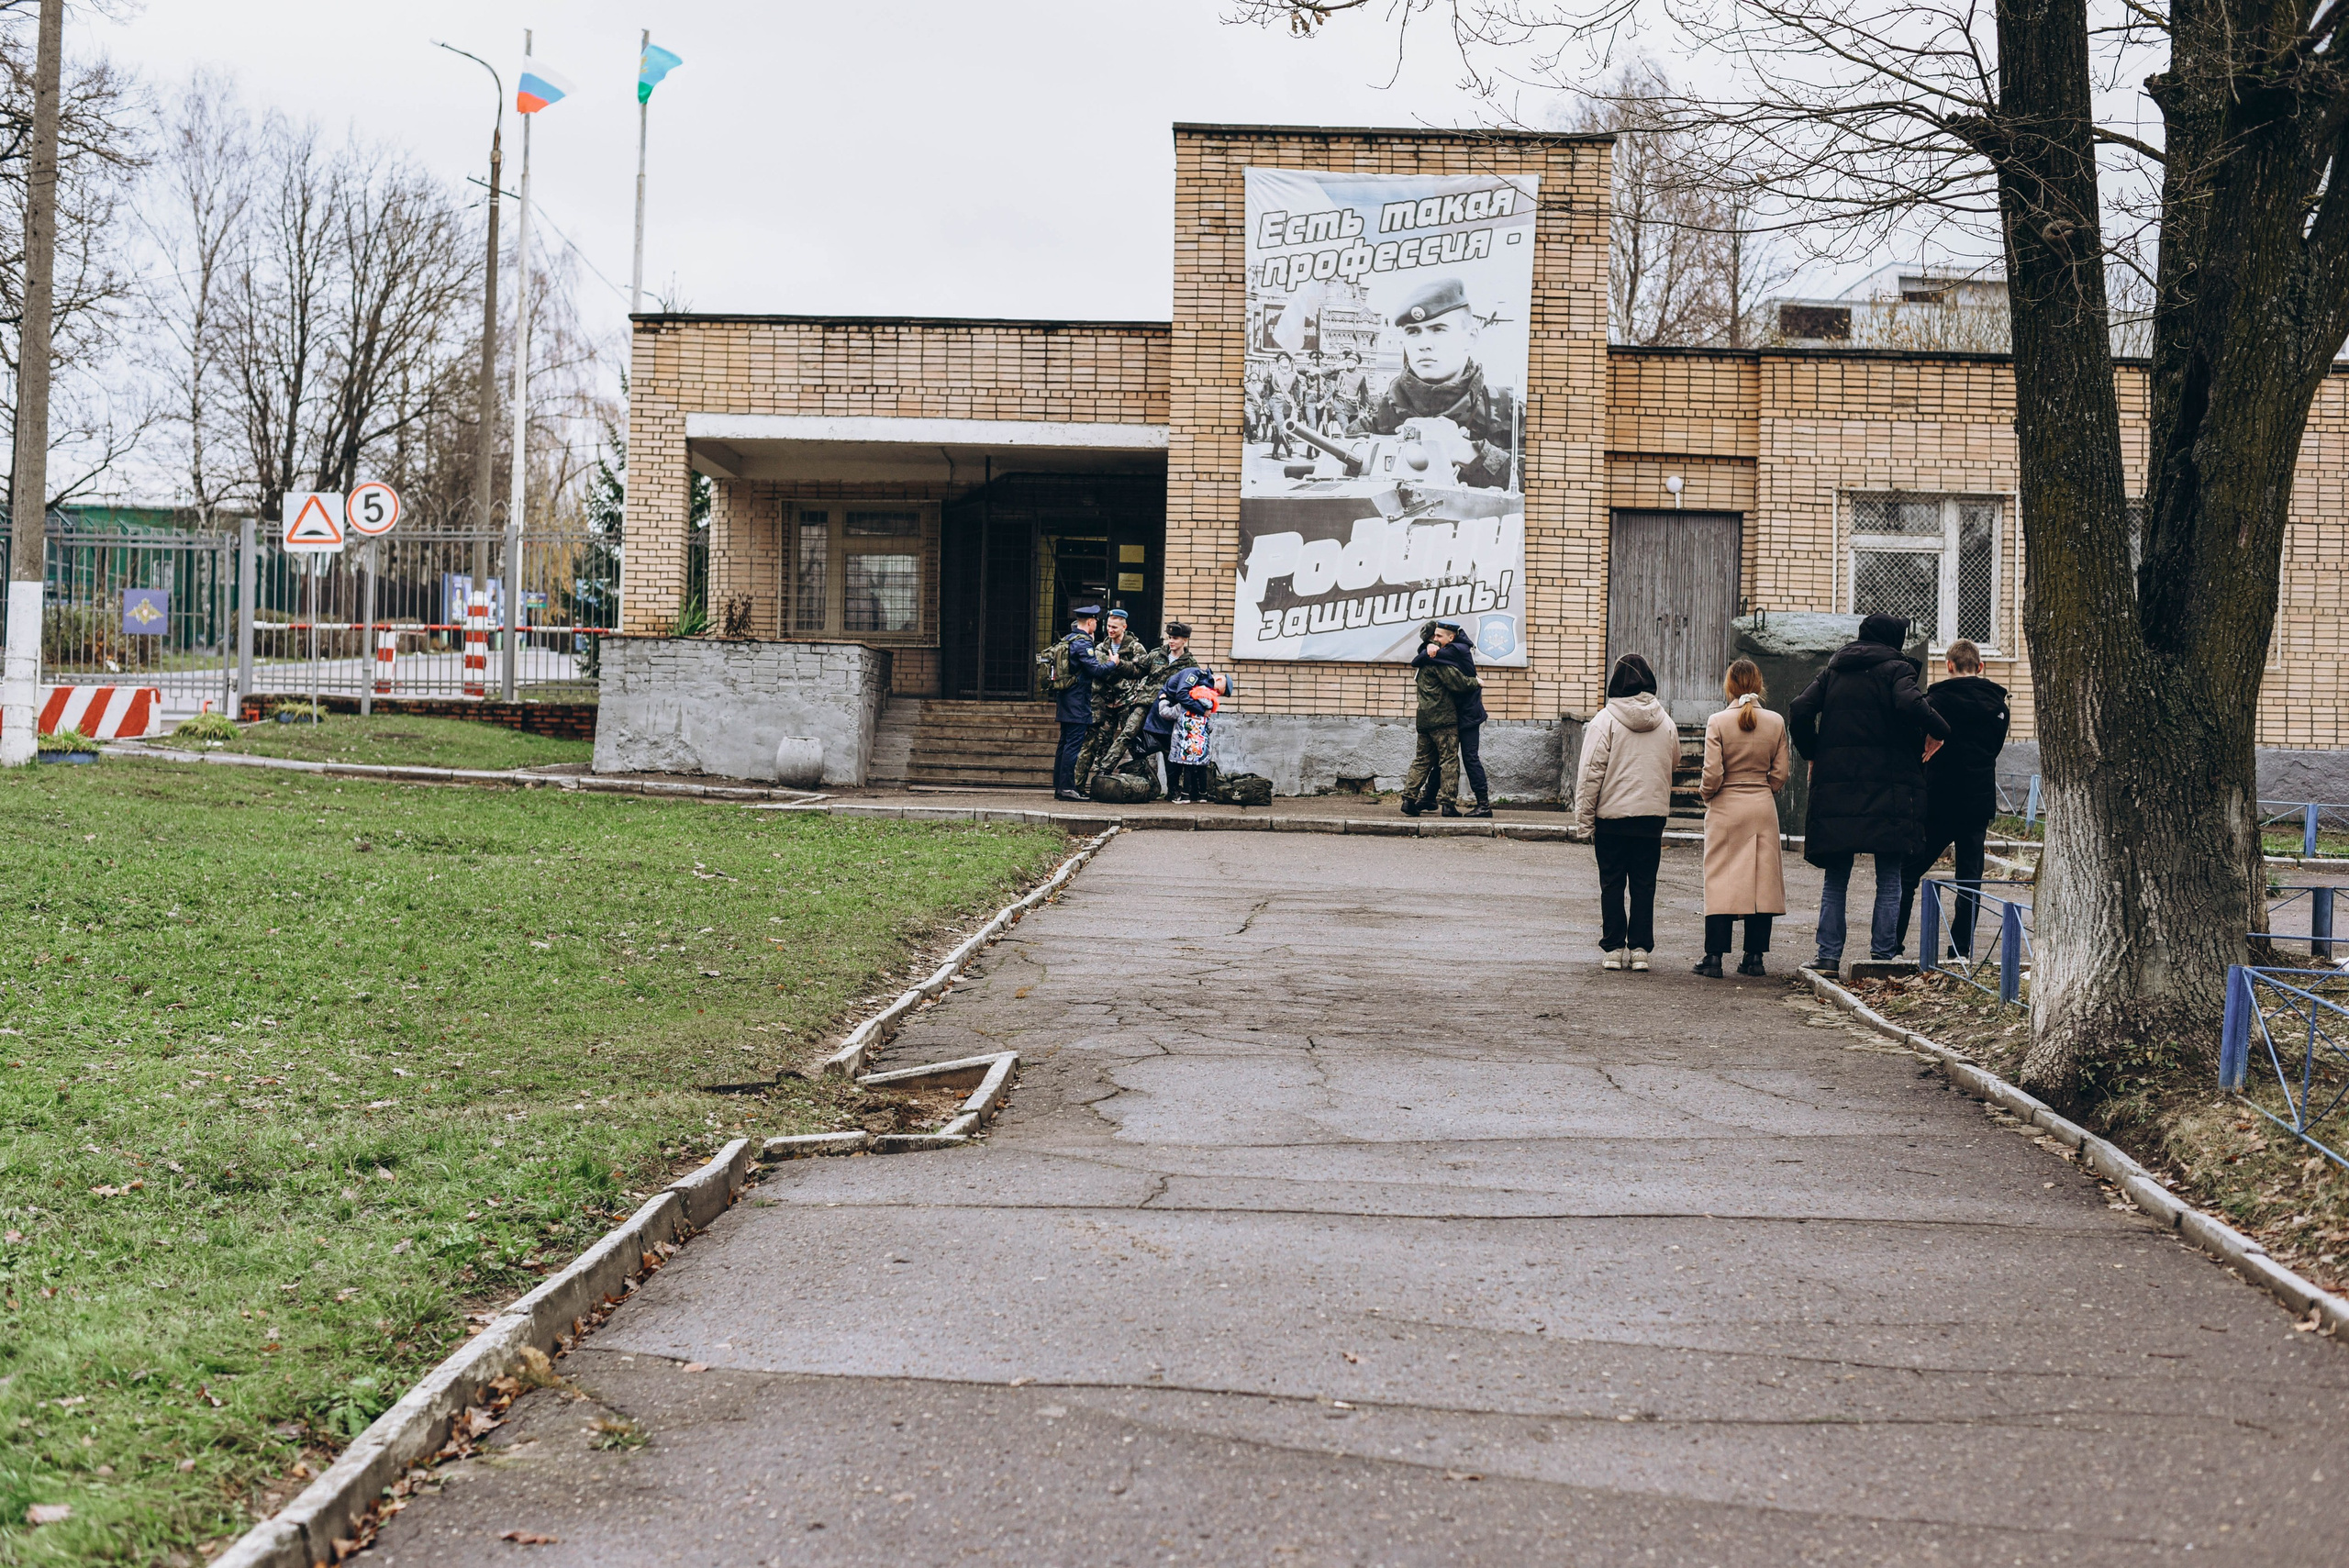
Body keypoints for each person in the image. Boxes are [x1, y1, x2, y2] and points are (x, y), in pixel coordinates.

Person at [1787, 612, 1953, 970]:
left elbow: (1800, 708)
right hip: (1889, 792)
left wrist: (1812, 751)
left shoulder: (1833, 671)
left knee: (1836, 878)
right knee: (1889, 877)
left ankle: (1828, 957)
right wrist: (1939, 730)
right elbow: (1909, 703)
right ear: (1892, 639)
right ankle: (1882, 957)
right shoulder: (1897, 670)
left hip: (1838, 791)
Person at [1896, 639, 2010, 959]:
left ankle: (1892, 945)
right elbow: (1994, 750)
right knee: (1970, 879)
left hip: (1939, 798)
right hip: (1977, 801)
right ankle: (1960, 952)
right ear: (1981, 667)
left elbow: (1921, 746)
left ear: (1949, 665)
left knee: (1908, 871)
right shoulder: (1999, 707)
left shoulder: (1934, 702)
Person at [1350, 277, 1515, 489]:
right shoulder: (1376, 423)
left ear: (1471, 337)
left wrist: (1466, 451)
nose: (1424, 345)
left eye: (1438, 329)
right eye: (1413, 332)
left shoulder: (1509, 411)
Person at [1573, 653, 1679, 971]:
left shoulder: (1604, 721)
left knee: (1612, 883)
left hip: (1611, 818)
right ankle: (1641, 950)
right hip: (1651, 817)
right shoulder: (1666, 721)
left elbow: (1590, 773)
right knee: (1645, 884)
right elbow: (1673, 762)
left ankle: (1614, 948)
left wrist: (1584, 821)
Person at [1695, 659, 1791, 977]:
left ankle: (1713, 958)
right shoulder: (1776, 722)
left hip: (1726, 807)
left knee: (1721, 880)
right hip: (1762, 807)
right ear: (1759, 685)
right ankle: (1754, 958)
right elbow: (1780, 773)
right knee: (1760, 883)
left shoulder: (1718, 722)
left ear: (1730, 686)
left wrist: (1709, 795)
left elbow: (1712, 773)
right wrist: (1765, 790)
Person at [1410, 620, 1490, 817]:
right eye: (1434, 636)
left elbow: (1420, 660)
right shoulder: (1448, 649)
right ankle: (1429, 798)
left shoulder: (1458, 649)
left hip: (1468, 714)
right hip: (1454, 714)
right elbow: (1425, 656)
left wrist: (1428, 647)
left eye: (1439, 636)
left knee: (1470, 758)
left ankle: (1484, 805)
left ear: (1451, 637)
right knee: (1443, 758)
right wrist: (1429, 646)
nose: (1435, 639)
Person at [1042, 605, 1120, 801]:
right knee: (1073, 745)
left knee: (1064, 743)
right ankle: (1067, 788)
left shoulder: (1068, 639)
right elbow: (1096, 670)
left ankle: (1060, 786)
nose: (1097, 624)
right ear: (1090, 622)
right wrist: (1113, 663)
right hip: (1077, 701)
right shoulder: (1083, 642)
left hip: (1066, 699)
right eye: (1096, 621)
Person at [1074, 607, 1151, 796]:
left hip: (1127, 702)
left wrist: (1119, 667)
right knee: (1102, 744)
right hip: (1106, 704)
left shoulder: (1135, 648)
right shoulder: (1100, 647)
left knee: (1134, 744)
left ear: (1124, 627)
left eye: (1115, 627)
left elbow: (1142, 672)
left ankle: (1145, 783)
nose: (1110, 630)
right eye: (1108, 626)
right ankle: (1101, 783)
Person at [1133, 662, 1227, 791]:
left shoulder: (1202, 684)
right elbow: (1182, 694)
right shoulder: (1194, 674)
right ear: (1219, 679)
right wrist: (1203, 712)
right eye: (1218, 691)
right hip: (1165, 720)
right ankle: (1172, 790)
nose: (1215, 693)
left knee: (1175, 759)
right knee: (1171, 758)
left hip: (1176, 723)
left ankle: (1179, 791)